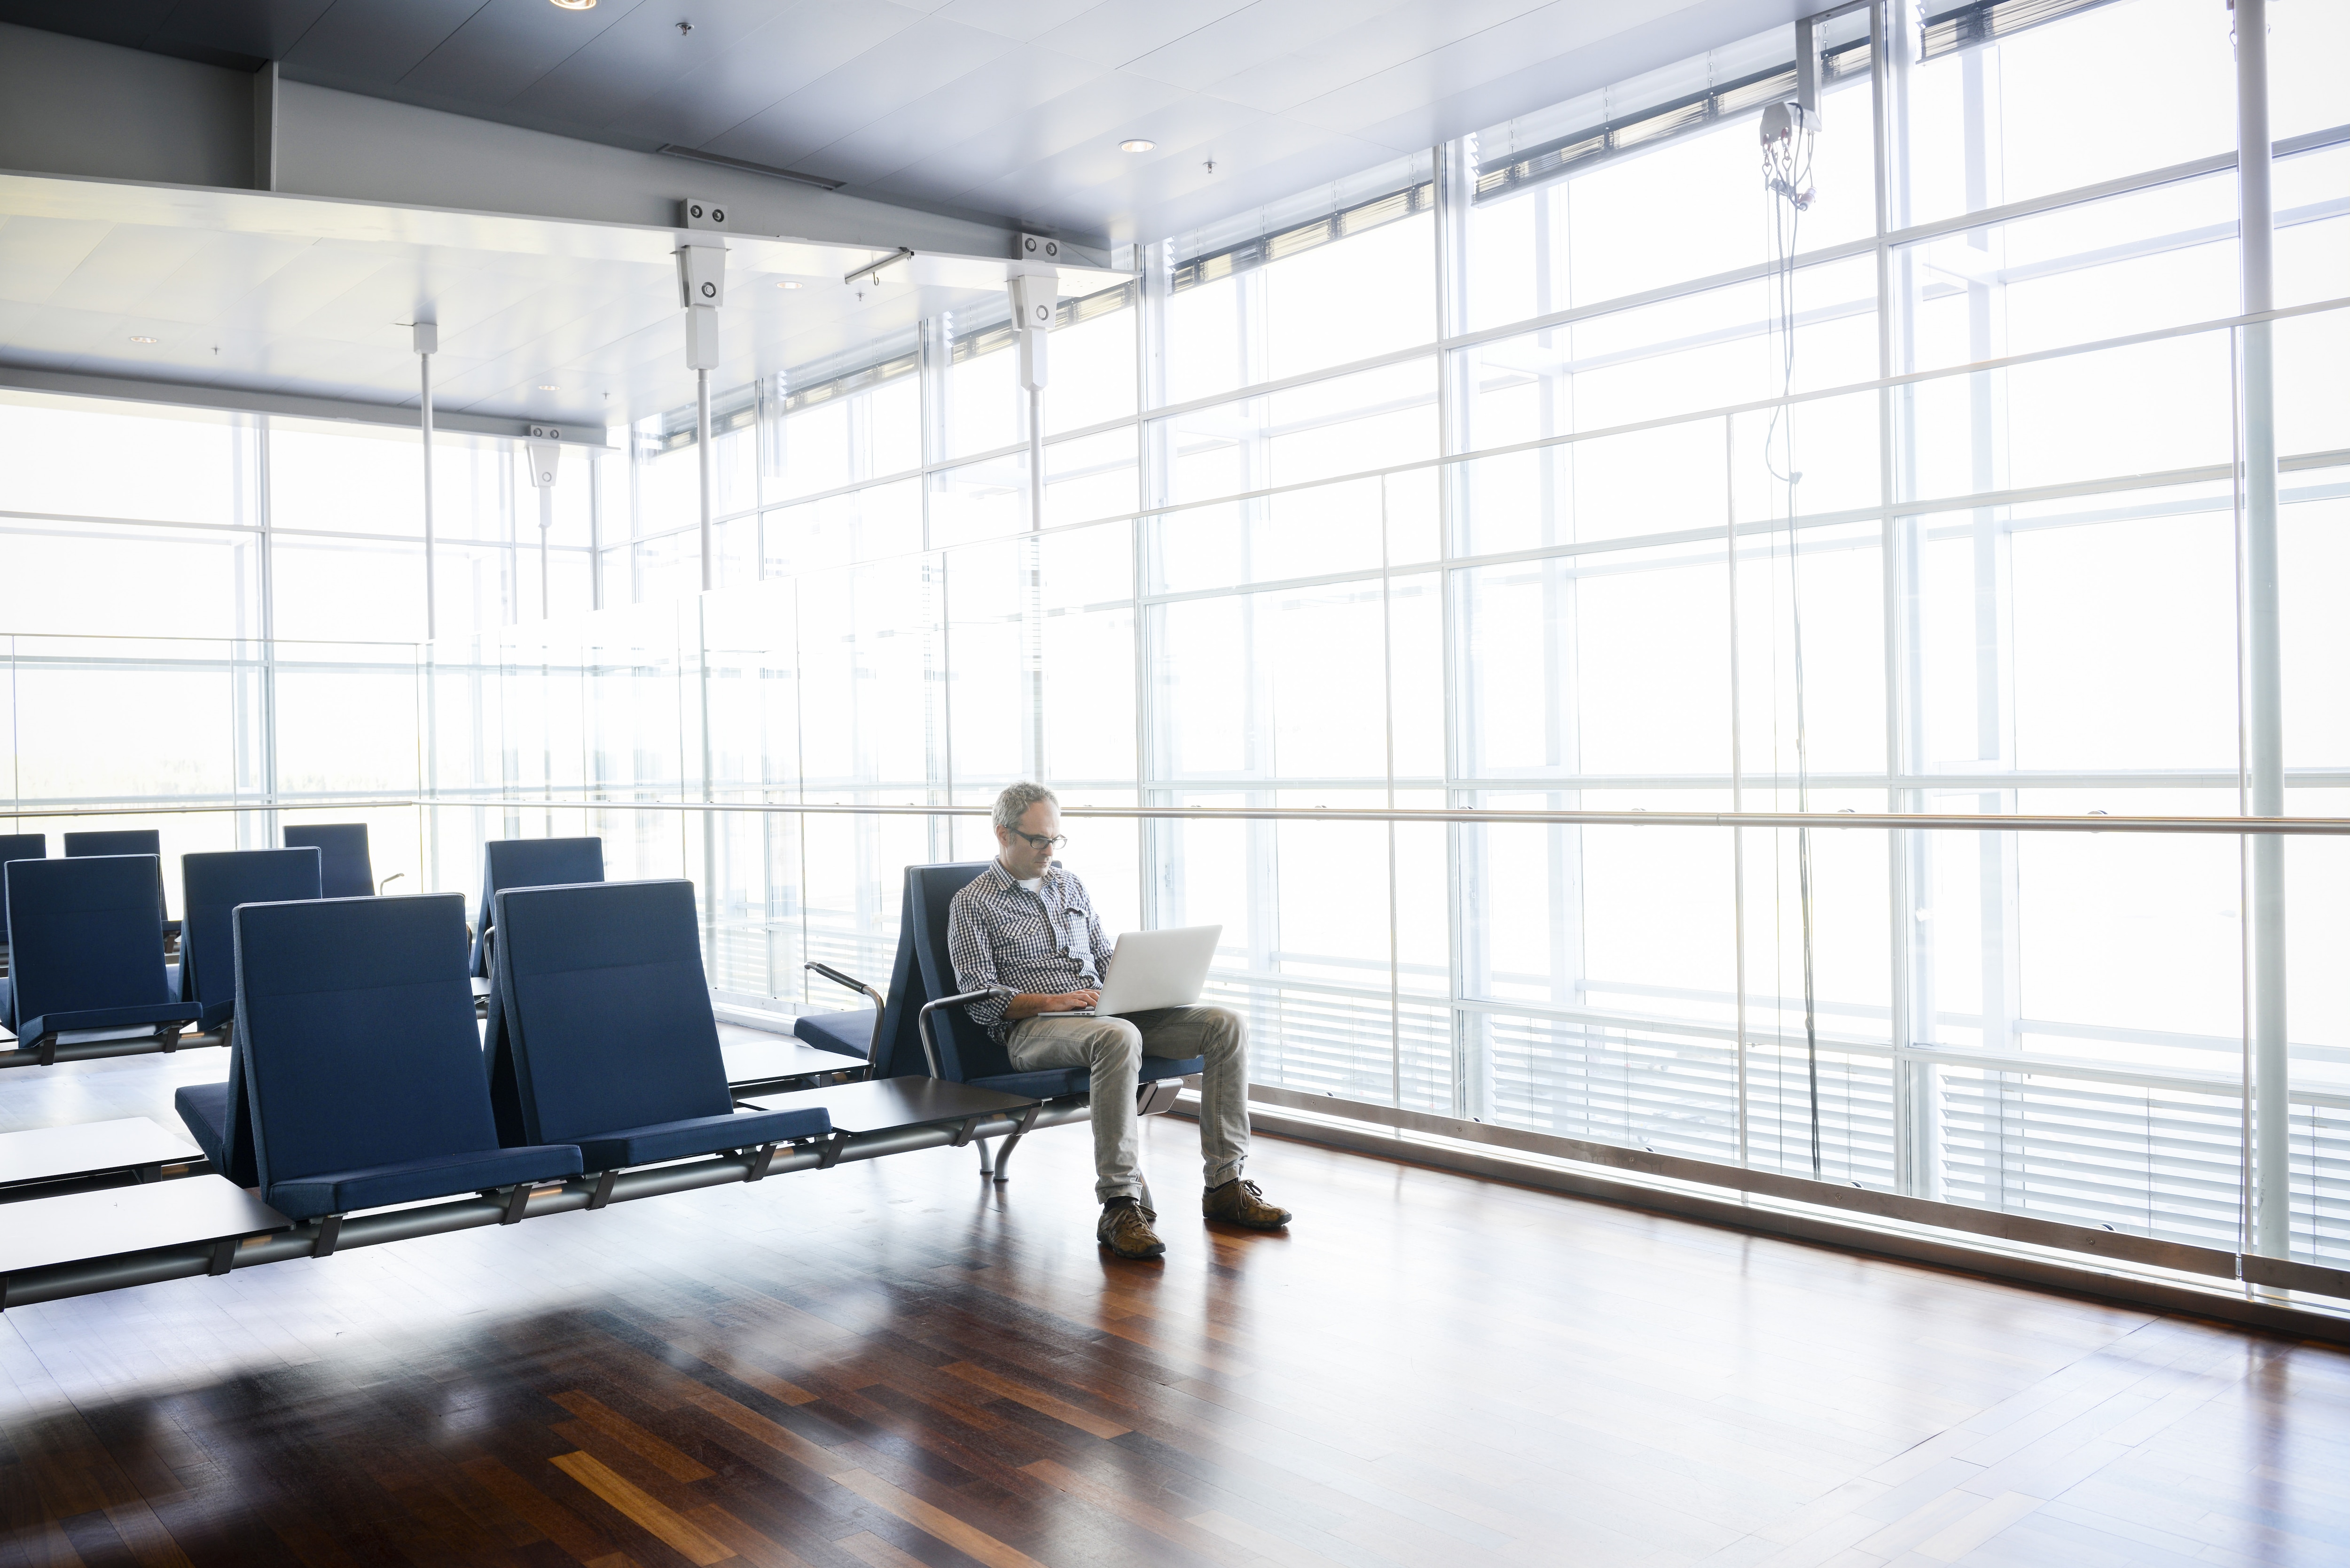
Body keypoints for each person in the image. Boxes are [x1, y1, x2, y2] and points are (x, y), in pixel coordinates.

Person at [948, 781, 1292, 1259]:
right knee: (1118, 1036)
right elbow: (979, 999)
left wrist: (1145, 986)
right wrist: (1058, 1001)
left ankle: (1225, 1186)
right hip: (1033, 1031)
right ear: (1002, 833)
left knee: (1225, 1023)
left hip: (1103, 1014)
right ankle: (1119, 1204)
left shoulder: (1070, 885)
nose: (1049, 850)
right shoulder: (972, 903)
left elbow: (1106, 958)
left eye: (1055, 839)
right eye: (1037, 840)